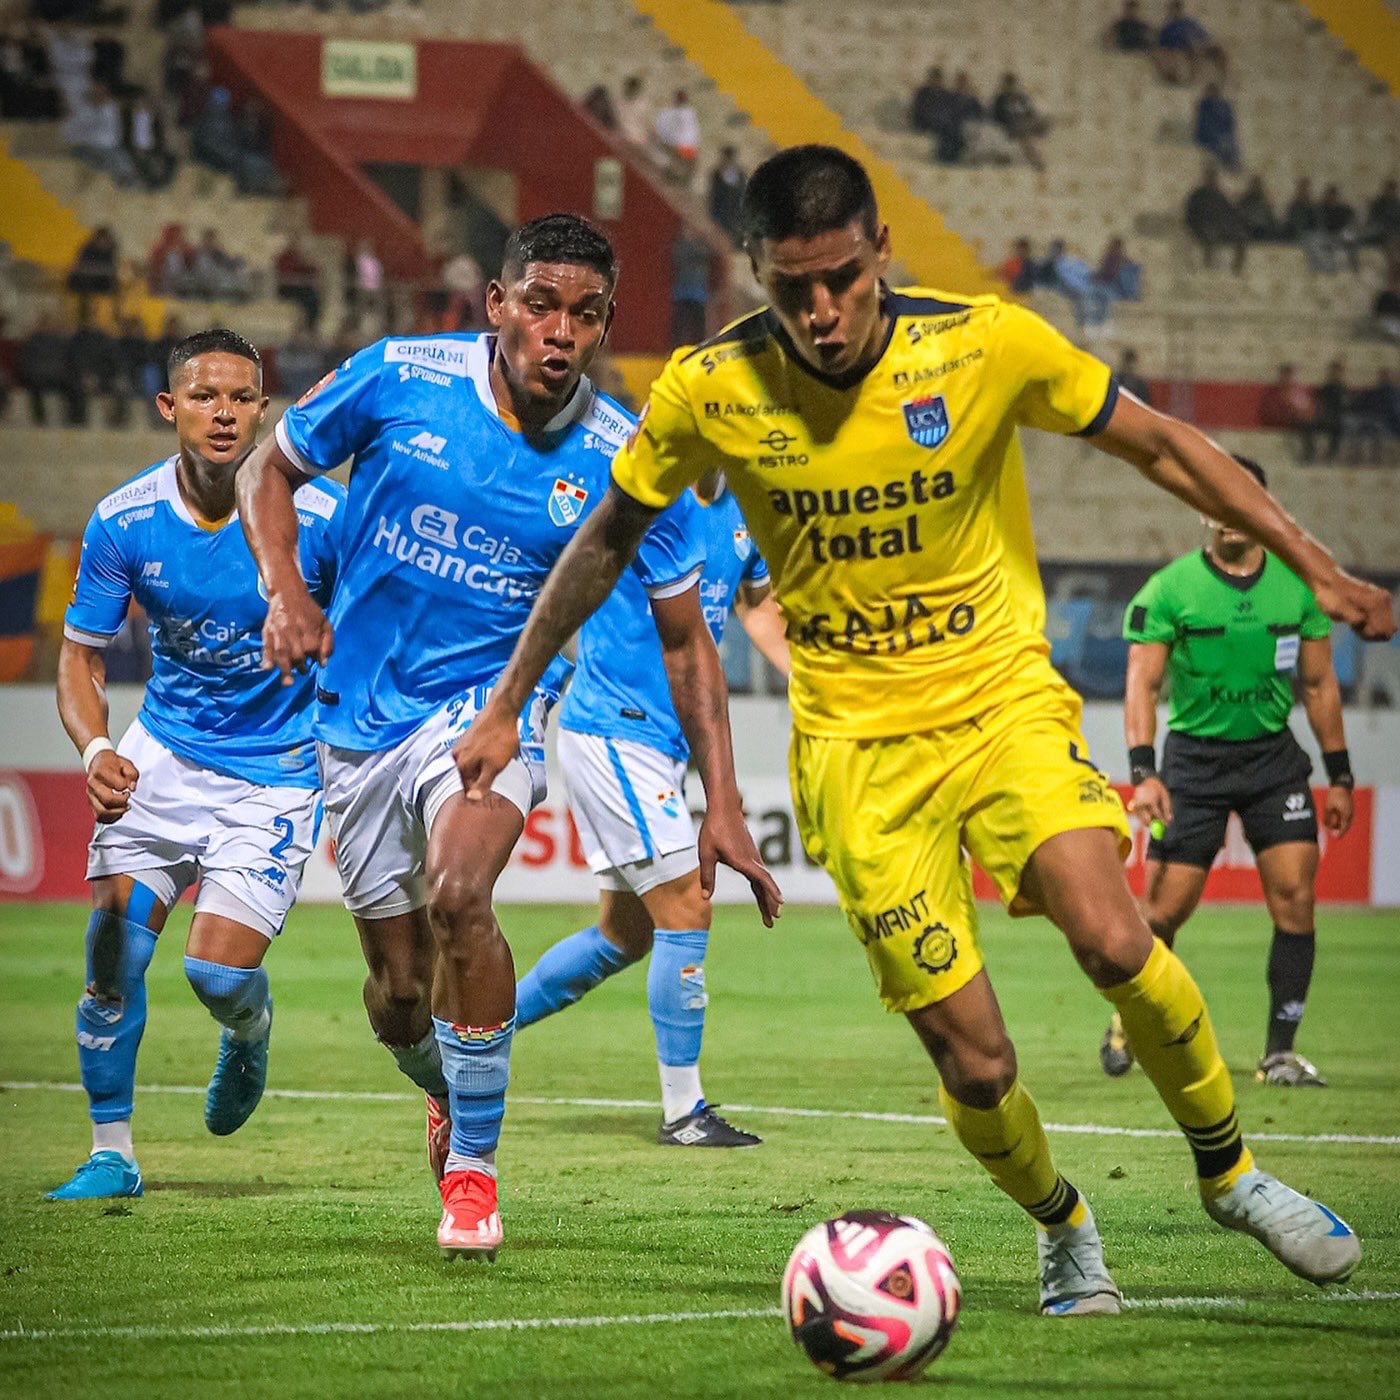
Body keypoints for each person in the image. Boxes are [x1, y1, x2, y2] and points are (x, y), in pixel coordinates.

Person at [454, 145, 1392, 1314]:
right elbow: (602, 542)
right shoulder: (710, 387)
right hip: (857, 758)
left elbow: (1156, 441)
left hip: (999, 700)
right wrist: (505, 703)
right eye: (790, 286)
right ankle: (1063, 1224)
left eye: (841, 278)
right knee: (975, 1056)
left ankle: (1231, 1174)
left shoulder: (985, 341)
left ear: (880, 248)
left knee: (1110, 937)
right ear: (753, 270)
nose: (821, 311)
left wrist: (1315, 562)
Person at [235, 214, 778, 1261]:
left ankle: (476, 1175)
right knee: (397, 998)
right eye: (539, 305)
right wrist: (287, 591)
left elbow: (688, 645)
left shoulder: (627, 462)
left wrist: (723, 798)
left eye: (582, 313)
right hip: (355, 722)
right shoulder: (396, 375)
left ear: (605, 324)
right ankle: (443, 1079)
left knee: (460, 892)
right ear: (496, 305)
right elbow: (271, 469)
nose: (558, 331)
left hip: (488, 715)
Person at [45, 328, 344, 1201]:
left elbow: (379, 629)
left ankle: (248, 1034)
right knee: (110, 953)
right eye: (205, 397)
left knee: (216, 974)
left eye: (241, 397)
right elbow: (80, 657)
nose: (224, 413)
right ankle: (113, 1153)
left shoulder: (320, 519)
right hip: (163, 758)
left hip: (279, 769)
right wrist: (97, 747)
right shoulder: (125, 519)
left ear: (263, 407)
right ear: (169, 407)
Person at [516, 473, 790, 1145]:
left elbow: (757, 605)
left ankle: (466, 1033)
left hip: (659, 741)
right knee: (688, 902)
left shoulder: (746, 502)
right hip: (615, 726)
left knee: (624, 936)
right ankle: (685, 1111)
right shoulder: (637, 490)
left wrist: (815, 677)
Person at [1101, 456, 1356, 1088]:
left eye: (1237, 497)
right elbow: (1144, 682)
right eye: (1212, 496)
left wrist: (1340, 775)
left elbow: (1320, 685)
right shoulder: (1170, 590)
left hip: (1273, 762)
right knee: (1162, 913)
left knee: (1296, 901)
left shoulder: (1297, 588)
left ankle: (1279, 1052)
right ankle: (1126, 1020)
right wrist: (1146, 771)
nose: (1225, 510)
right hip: (1193, 763)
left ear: (1259, 507)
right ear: (1200, 507)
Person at [1184, 166, 1247, 273]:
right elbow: (1190, 215)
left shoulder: (1219, 194)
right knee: (1210, 235)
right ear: (1205, 177)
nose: (1212, 178)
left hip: (1222, 227)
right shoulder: (1198, 194)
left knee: (1241, 236)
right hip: (1202, 227)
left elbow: (1230, 211)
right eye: (1210, 176)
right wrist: (1195, 227)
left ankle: (1236, 270)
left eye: (1214, 176)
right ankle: (1208, 267)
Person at [1153, 1, 1227, 84]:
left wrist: (1207, 42)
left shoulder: (1188, 22)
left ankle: (1223, 77)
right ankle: (1193, 79)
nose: (1175, 12)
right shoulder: (1168, 27)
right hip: (1183, 49)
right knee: (1194, 49)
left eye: (1176, 9)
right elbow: (1162, 43)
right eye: (1173, 10)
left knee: (1217, 51)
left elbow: (1203, 34)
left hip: (1198, 45)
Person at [990, 72, 1050, 172]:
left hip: (1026, 122)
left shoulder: (1022, 97)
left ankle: (1037, 144)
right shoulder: (1000, 99)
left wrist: (1033, 119)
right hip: (1012, 125)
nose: (1010, 86)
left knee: (1047, 121)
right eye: (1008, 83)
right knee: (1026, 138)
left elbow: (1031, 112)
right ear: (1004, 84)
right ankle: (1037, 161)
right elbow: (995, 117)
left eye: (1012, 83)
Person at [653, 88, 700, 185]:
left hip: (686, 145)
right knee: (680, 158)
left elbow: (693, 131)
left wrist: (692, 145)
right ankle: (671, 177)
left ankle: (683, 182)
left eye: (683, 99)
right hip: (672, 144)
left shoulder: (689, 113)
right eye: (680, 98)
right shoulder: (667, 112)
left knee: (692, 160)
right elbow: (663, 130)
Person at [1193, 83, 1239, 172]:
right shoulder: (1204, 106)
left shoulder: (1224, 106)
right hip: (1207, 136)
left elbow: (1229, 125)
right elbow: (1201, 125)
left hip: (1222, 137)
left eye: (1214, 92)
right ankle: (1228, 164)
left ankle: (1231, 165)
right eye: (1210, 92)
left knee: (1229, 144)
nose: (1212, 94)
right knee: (1223, 146)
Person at [707, 145, 746, 246]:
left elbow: (742, 189)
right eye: (726, 156)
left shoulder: (740, 173)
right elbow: (714, 190)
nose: (728, 159)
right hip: (721, 204)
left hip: (734, 205)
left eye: (730, 156)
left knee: (732, 228)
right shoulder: (717, 172)